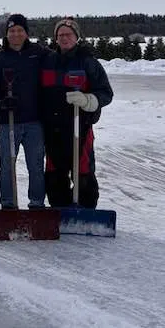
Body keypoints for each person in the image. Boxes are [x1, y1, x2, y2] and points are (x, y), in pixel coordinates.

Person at [40, 18, 114, 208]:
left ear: (76, 37)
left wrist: (89, 100)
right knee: (54, 171)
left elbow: (106, 93)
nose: (64, 38)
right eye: (60, 35)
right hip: (53, 128)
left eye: (68, 34)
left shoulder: (88, 62)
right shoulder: (48, 61)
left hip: (80, 127)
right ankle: (60, 209)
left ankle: (86, 209)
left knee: (83, 169)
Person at [0, 13, 48, 209]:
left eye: (20, 30)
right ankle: (8, 204)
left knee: (36, 165)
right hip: (7, 121)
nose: (16, 34)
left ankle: (37, 203)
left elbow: (60, 60)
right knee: (7, 165)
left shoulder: (39, 54)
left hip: (34, 121)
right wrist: (0, 102)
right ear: (6, 33)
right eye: (12, 31)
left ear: (26, 33)